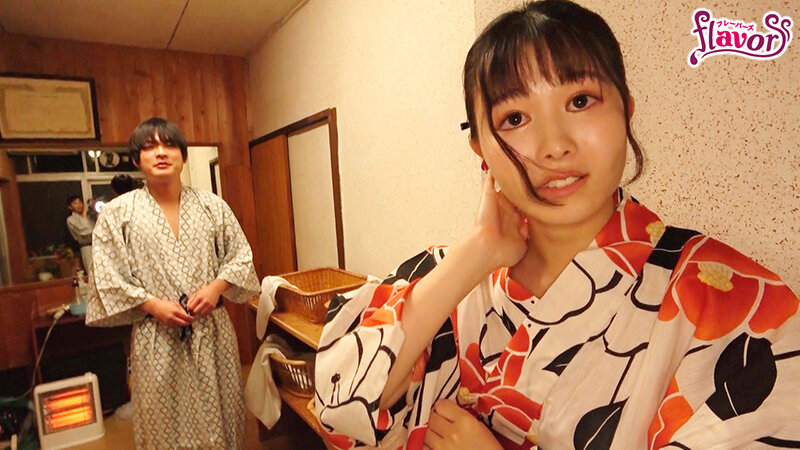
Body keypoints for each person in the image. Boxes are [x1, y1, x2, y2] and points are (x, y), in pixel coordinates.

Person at [314, 1, 800, 448]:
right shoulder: (448, 276)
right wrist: (479, 250)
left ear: (626, 110)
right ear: (480, 149)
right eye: (514, 118)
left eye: (580, 101)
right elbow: (338, 411)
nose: (554, 146)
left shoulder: (729, 300)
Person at [85, 117, 260, 448]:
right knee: (164, 425)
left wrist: (216, 287)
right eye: (149, 147)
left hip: (212, 332)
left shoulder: (212, 206)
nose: (161, 152)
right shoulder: (117, 214)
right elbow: (106, 275)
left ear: (184, 155)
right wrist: (151, 305)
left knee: (221, 417)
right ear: (136, 159)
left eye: (169, 145)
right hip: (156, 337)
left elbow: (240, 256)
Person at [66, 195, 95, 272]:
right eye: (75, 203)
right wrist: (84, 214)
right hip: (86, 247)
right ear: (70, 207)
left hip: (97, 245)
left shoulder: (90, 217)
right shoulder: (71, 219)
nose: (79, 205)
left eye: (80, 202)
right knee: (91, 271)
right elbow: (85, 231)